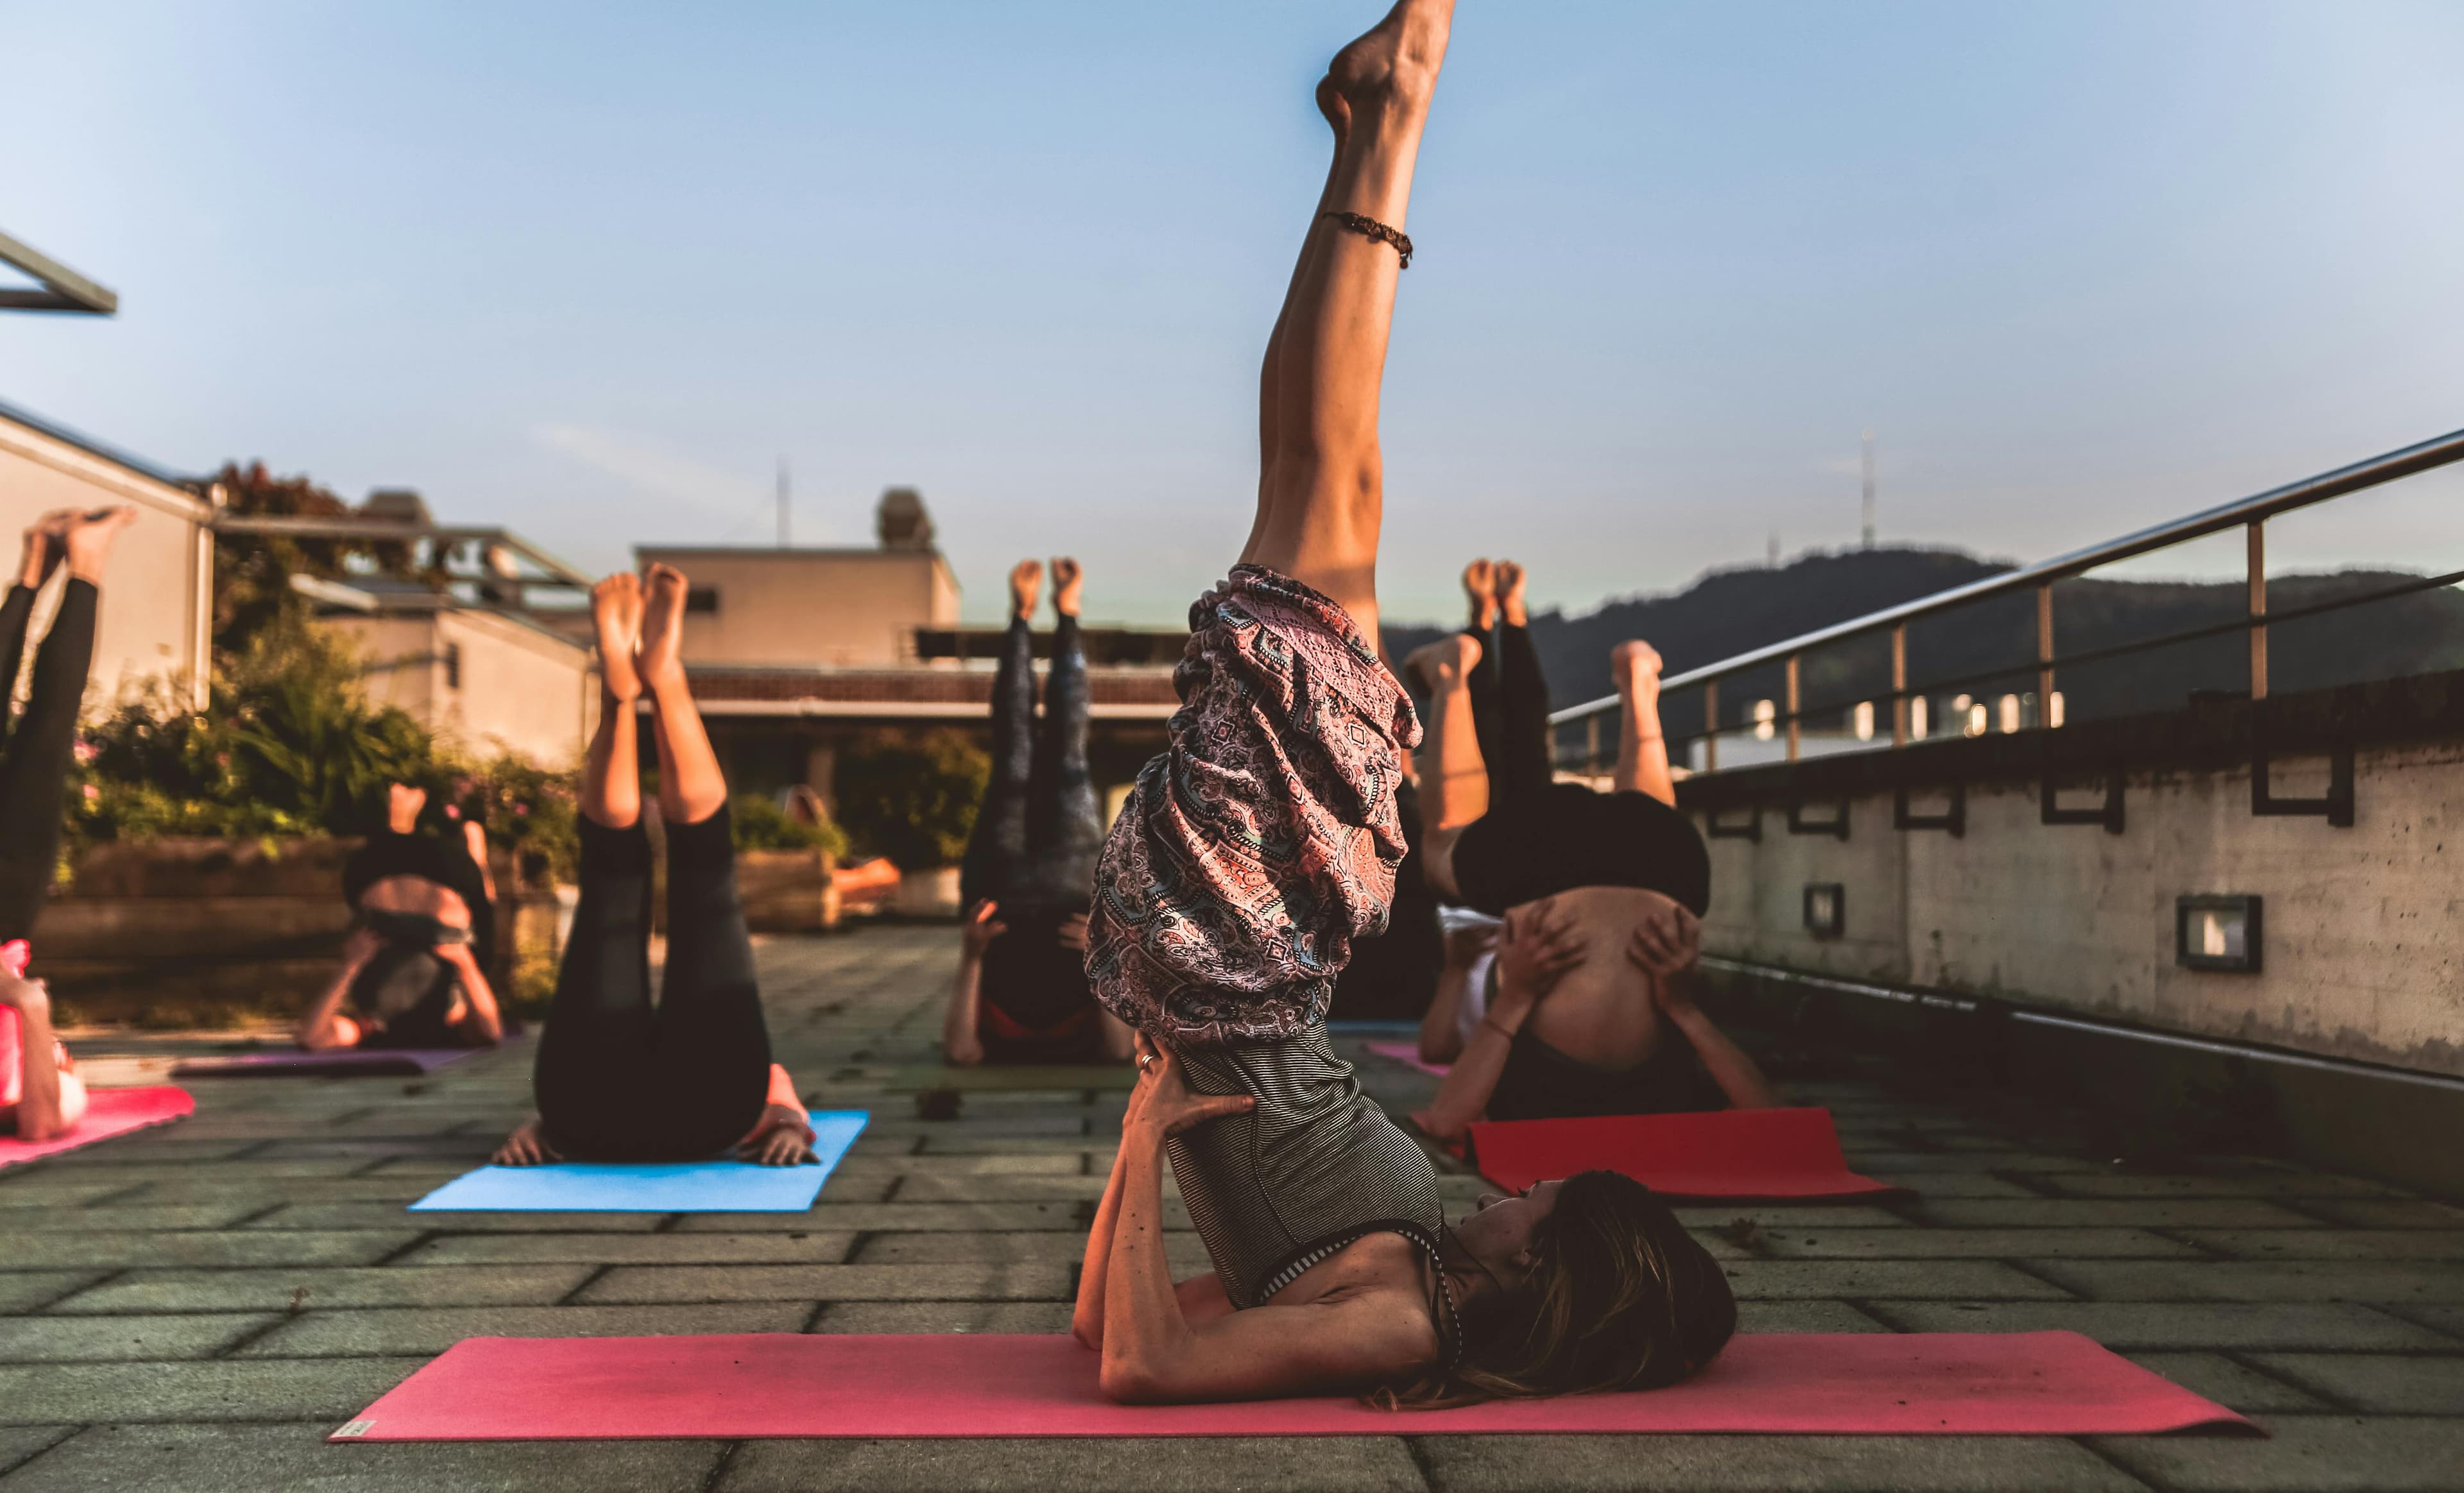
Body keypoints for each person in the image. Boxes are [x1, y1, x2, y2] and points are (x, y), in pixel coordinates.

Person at [1071, 1, 1734, 1408]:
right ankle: (1382, 124)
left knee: (1317, 493)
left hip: (1231, 951)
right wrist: (1158, 1120)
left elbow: (1137, 1361)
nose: (1530, 1180)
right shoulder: (1418, 1264)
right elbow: (1109, 1323)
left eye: (1546, 1201)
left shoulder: (1401, 1322)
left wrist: (1146, 1121)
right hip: (1270, 954)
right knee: (1334, 495)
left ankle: (1393, 116)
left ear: (1551, 1272)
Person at [1405, 610, 1779, 1138]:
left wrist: (1517, 997)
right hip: (1548, 879)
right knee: (1444, 842)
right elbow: (1445, 1123)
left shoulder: (1660, 1081)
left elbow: (1445, 1115)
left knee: (1644, 828)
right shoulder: (1538, 1085)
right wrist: (1682, 1005)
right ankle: (1451, 676)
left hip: (1663, 870)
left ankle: (1639, 688)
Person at [492, 566, 814, 1168]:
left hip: (649, 1113)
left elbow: (775, 1082)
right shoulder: (577, 1104)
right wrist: (792, 1125)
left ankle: (656, 684)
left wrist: (787, 1112)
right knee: (609, 880)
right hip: (588, 1110)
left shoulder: (742, 1082)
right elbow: (782, 1097)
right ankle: (638, 689)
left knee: (704, 872)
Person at [944, 558, 1133, 1066]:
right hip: (1070, 888)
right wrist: (1102, 956)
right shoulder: (1085, 1039)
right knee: (1066, 749)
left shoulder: (997, 1036)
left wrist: (970, 956)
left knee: (1016, 749)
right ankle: (1065, 616)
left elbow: (961, 1052)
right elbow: (1120, 1051)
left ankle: (1022, 619)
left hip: (999, 889)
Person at [0, 508, 136, 1142]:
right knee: (46, 737)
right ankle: (72, 564)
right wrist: (29, 1004)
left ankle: (43, 566)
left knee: (46, 734)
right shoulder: (42, 1085)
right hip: (6, 913)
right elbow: (46, 1120)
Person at [296, 782, 504, 1052]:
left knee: (477, 911)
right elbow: (491, 1034)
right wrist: (466, 965)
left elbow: (311, 1039)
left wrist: (351, 965)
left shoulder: (367, 1028)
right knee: (475, 923)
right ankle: (415, 832)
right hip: (426, 920)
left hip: (431, 914)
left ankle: (465, 853)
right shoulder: (449, 1023)